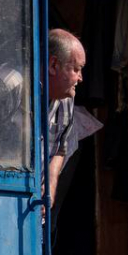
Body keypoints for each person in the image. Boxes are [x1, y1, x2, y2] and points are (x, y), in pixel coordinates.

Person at [47, 29, 85, 210]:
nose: (80, 78)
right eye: (76, 69)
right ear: (53, 65)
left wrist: (49, 187)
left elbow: (59, 150)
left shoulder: (66, 100)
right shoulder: (11, 88)